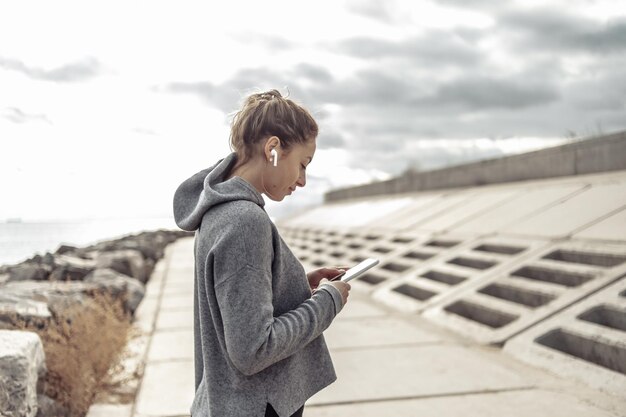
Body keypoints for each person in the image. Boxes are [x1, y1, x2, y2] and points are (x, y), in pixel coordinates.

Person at [173, 89, 351, 417]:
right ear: (273, 149)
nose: (302, 180)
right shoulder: (244, 221)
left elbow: (236, 304)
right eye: (302, 164)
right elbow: (253, 349)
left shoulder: (217, 211)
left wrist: (295, 283)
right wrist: (328, 303)